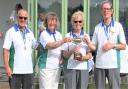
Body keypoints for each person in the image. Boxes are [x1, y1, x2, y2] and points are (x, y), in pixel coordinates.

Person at [83, 1, 126, 89]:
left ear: (112, 11)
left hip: (113, 65)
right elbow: (94, 47)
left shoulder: (118, 26)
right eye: (103, 9)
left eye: (107, 9)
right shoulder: (97, 27)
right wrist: (88, 43)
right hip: (99, 65)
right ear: (101, 11)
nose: (105, 11)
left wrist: (112, 45)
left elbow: (123, 46)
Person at [3, 9, 38, 89]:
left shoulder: (30, 32)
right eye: (21, 17)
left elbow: (36, 46)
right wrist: (7, 67)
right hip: (15, 71)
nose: (23, 20)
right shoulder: (10, 32)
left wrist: (43, 36)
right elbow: (5, 50)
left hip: (28, 70)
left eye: (25, 18)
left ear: (27, 19)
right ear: (17, 18)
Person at [38, 12, 71, 89]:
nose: (52, 23)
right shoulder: (43, 34)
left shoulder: (58, 34)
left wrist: (62, 57)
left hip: (56, 67)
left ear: (56, 23)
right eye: (50, 20)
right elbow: (50, 46)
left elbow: (62, 49)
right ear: (46, 22)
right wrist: (63, 41)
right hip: (46, 68)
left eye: (54, 20)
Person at [62, 11, 92, 89]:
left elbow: (90, 54)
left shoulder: (86, 36)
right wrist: (72, 50)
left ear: (83, 23)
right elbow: (64, 55)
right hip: (71, 68)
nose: (77, 23)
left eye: (80, 21)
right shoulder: (68, 36)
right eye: (75, 21)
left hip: (83, 68)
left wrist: (83, 58)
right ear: (72, 22)